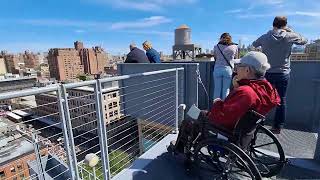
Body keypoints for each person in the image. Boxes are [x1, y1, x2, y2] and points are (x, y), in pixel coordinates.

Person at [173, 51, 280, 152]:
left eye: (239, 66)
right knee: (198, 113)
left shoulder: (246, 92)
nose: (236, 69)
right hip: (242, 132)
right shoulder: (267, 89)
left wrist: (217, 102)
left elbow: (220, 117)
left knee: (190, 116)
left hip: (225, 132)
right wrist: (238, 86)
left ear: (247, 70)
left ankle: (179, 148)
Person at [252, 16, 307, 134]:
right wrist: (290, 31)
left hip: (267, 73)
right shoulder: (290, 36)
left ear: (273, 24)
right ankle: (277, 127)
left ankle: (259, 123)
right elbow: (304, 40)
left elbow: (254, 44)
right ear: (285, 25)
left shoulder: (265, 36)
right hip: (283, 73)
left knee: (263, 99)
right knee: (281, 100)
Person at [213, 33, 238, 100]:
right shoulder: (235, 47)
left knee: (217, 90)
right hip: (228, 69)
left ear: (221, 38)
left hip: (217, 68)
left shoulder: (216, 46)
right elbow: (236, 59)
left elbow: (215, 58)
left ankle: (215, 108)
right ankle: (225, 108)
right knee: (226, 90)